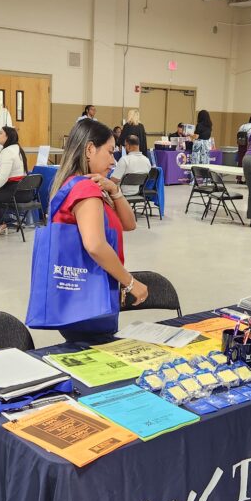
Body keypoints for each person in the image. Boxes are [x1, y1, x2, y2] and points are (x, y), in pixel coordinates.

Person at [46, 119, 145, 342]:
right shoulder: (85, 188)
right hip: (90, 297)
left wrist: (115, 191)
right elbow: (95, 245)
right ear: (90, 149)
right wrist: (130, 282)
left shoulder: (82, 184)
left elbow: (129, 224)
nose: (113, 161)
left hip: (81, 295)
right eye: (110, 152)